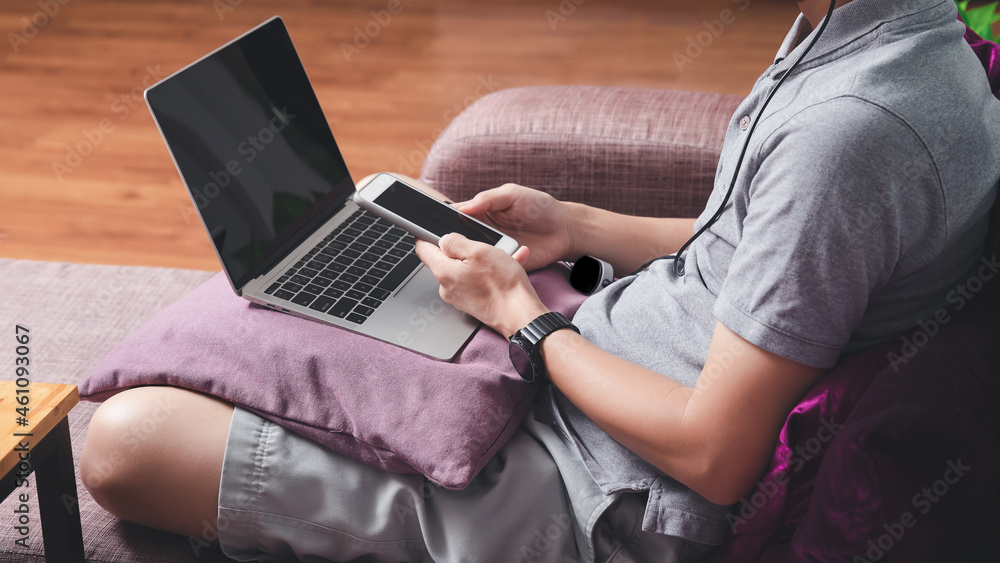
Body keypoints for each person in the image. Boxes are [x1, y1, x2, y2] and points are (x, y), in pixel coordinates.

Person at [81, 0, 1000, 560]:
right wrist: (581, 225)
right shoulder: (887, 42)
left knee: (127, 441)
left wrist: (523, 317)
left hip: (603, 486)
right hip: (585, 375)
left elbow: (716, 457)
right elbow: (765, 251)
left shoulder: (853, 133)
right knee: (295, 302)